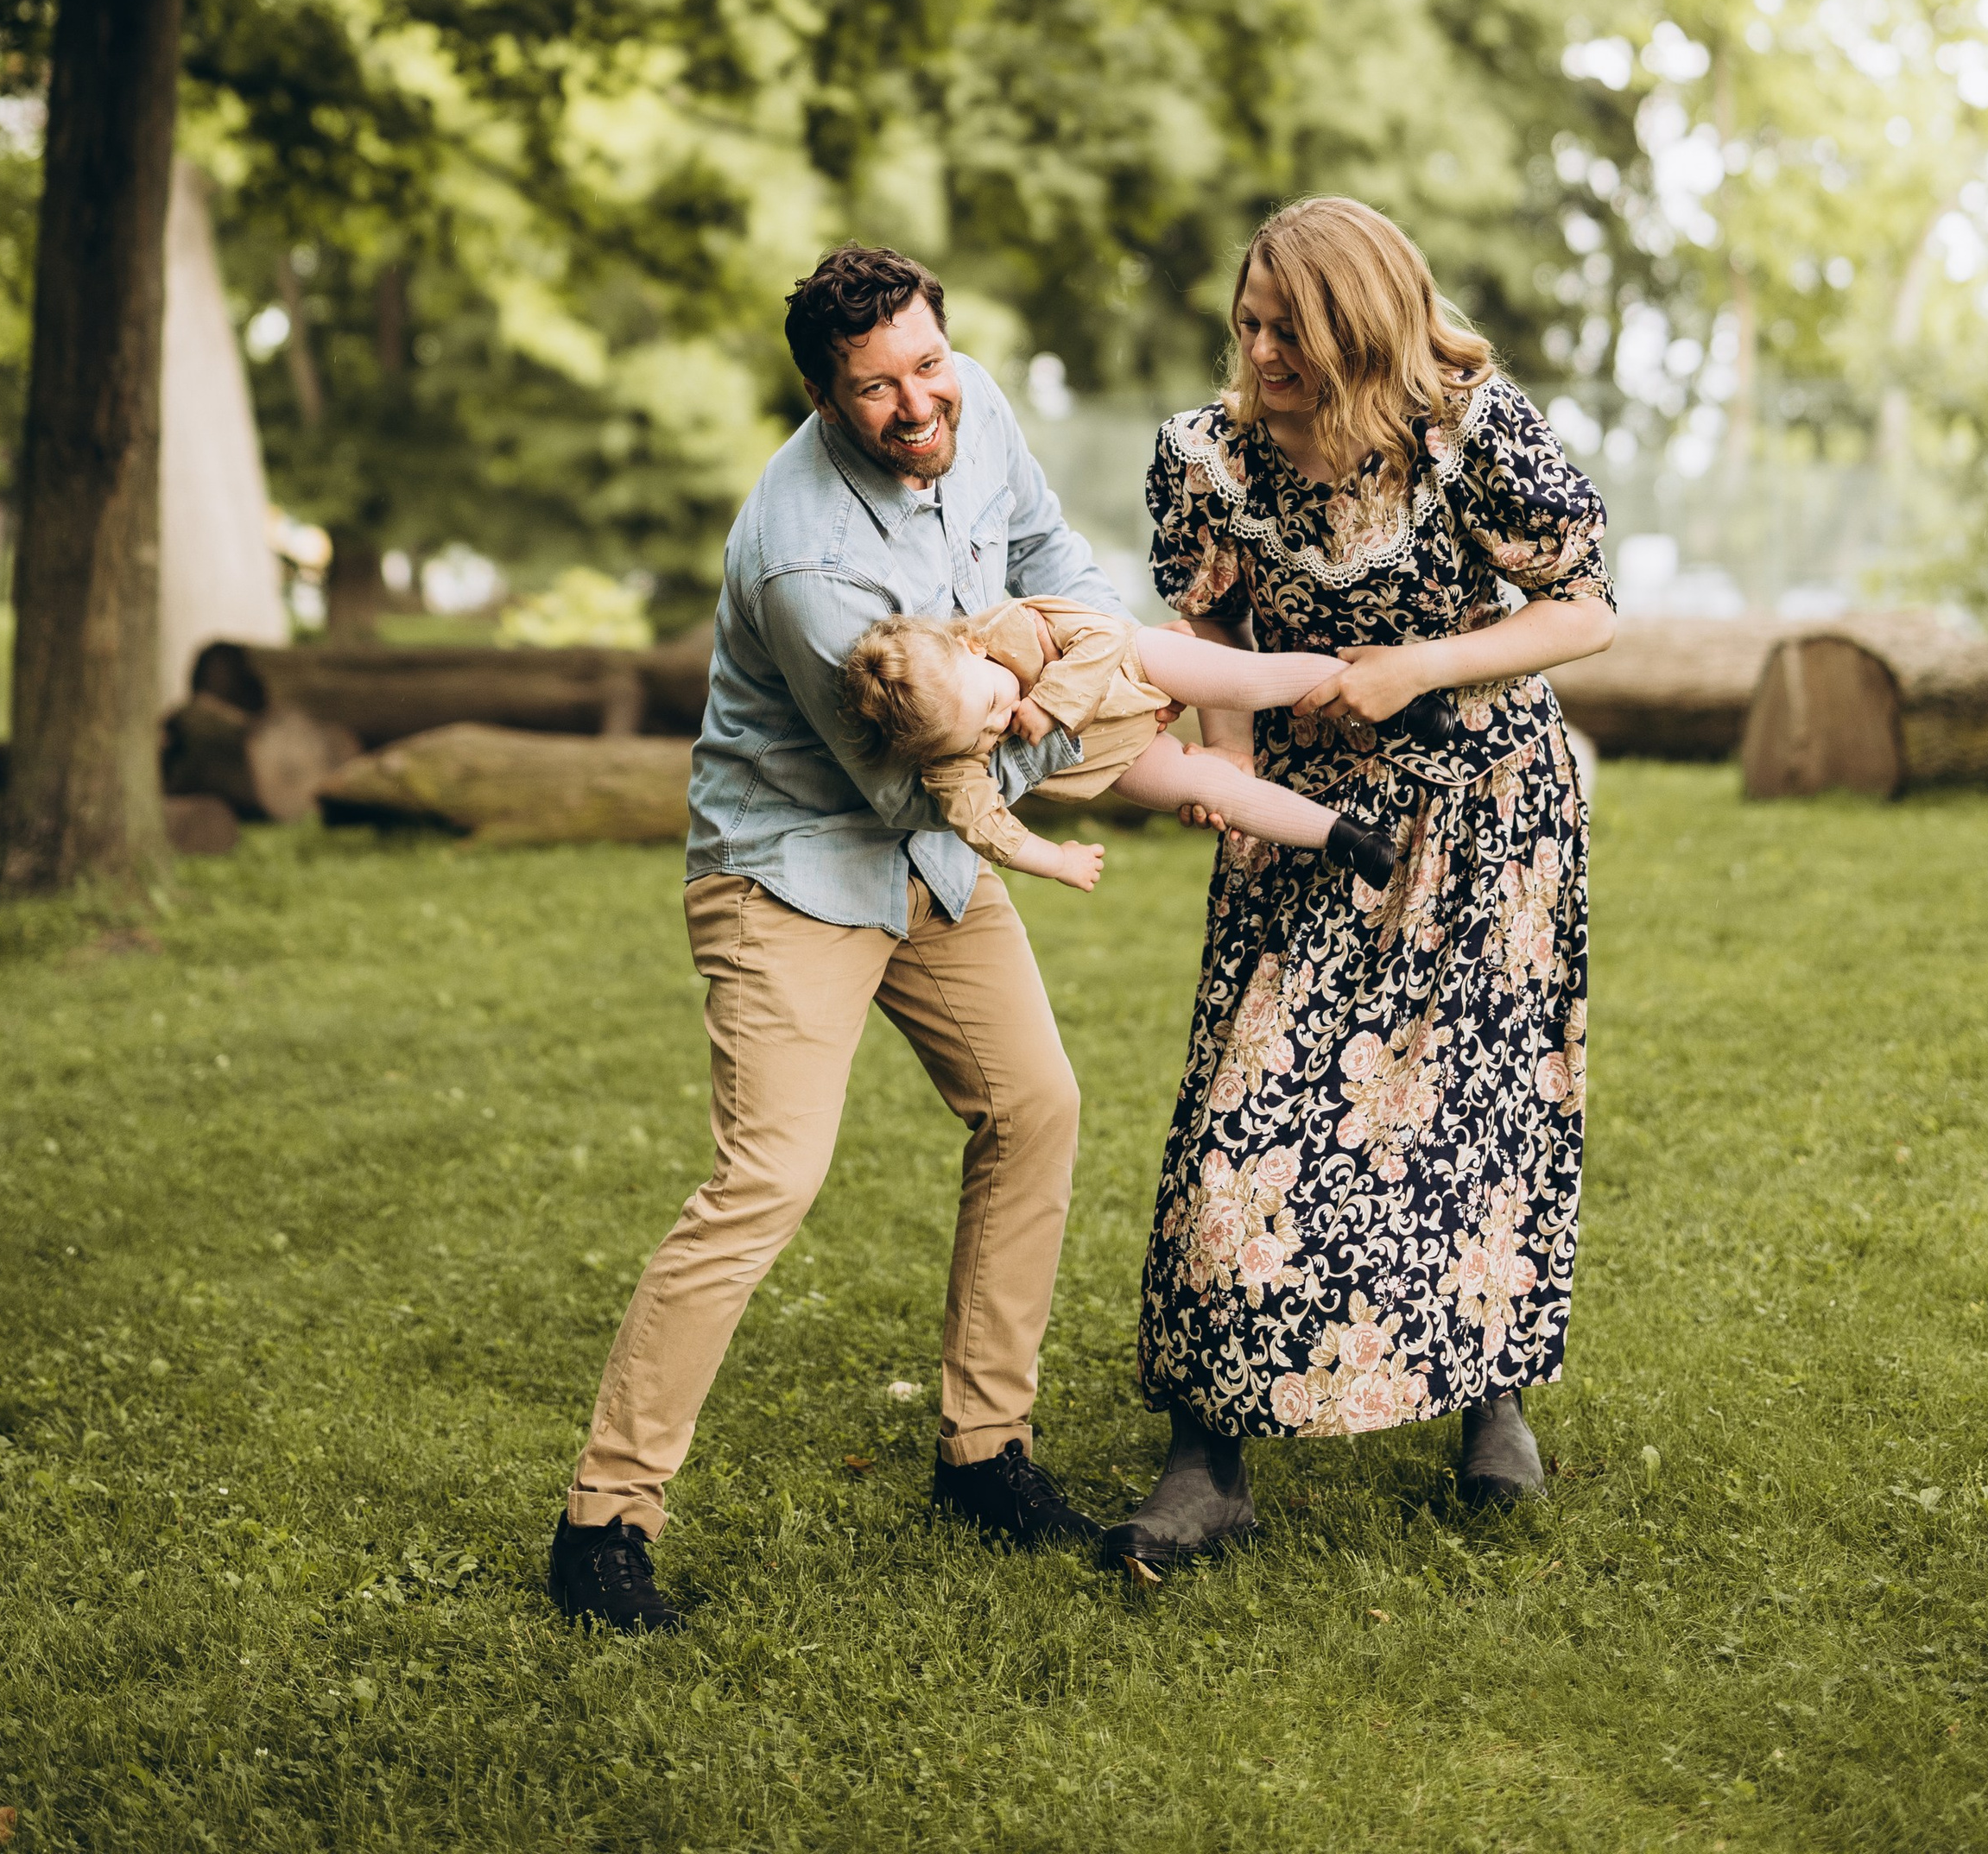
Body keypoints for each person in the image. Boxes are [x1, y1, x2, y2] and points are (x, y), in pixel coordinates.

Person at [550, 244, 1127, 1635]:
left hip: (934, 858)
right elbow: (911, 780)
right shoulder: (807, 560)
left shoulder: (971, 401)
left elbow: (1056, 554)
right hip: (793, 869)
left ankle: (986, 1456)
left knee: (1034, 1104)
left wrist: (1077, 637)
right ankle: (602, 1528)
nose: (916, 403)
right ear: (819, 395)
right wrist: (1073, 709)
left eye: (927, 364)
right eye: (874, 389)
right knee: (770, 1178)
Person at [1108, 197, 1614, 1575]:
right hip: (1304, 816)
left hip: (1488, 815)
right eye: (1253, 324)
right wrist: (1239, 790)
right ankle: (1207, 1458)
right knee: (1244, 1113)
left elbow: (1587, 606)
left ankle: (1488, 1403)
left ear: (1366, 328)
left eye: (1296, 332)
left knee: (1473, 1112)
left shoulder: (1469, 426)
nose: (1263, 353)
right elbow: (1203, 622)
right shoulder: (1205, 459)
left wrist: (1422, 666)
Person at [839, 598, 1392, 889]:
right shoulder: (949, 764)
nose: (1000, 724)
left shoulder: (1010, 625)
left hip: (1136, 664)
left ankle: (1383, 691)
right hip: (1113, 757)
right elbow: (988, 831)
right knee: (1214, 790)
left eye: (991, 706)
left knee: (1244, 680)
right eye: (980, 737)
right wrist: (1057, 860)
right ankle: (1347, 838)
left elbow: (1102, 633)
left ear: (971, 648)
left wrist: (1049, 701)